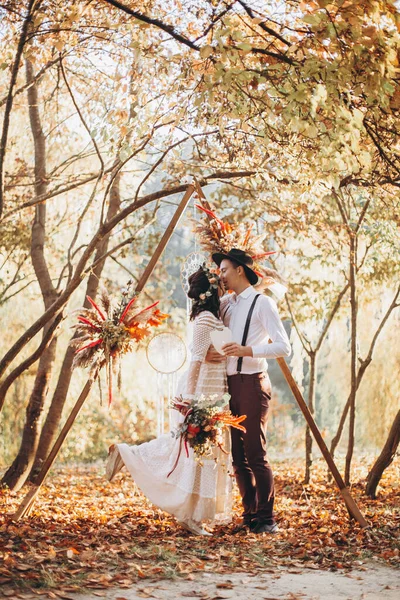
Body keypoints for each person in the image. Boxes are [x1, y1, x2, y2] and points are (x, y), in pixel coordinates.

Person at [105, 266, 232, 535]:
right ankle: (189, 515)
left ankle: (192, 514)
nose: (223, 285)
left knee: (195, 454)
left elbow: (211, 352)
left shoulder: (211, 315)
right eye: (218, 283)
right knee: (191, 454)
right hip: (200, 394)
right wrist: (192, 402)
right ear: (210, 291)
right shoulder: (206, 319)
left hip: (213, 393)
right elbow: (196, 360)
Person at [208, 248, 291, 534]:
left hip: (254, 383)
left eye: (225, 270)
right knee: (238, 457)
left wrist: (248, 350)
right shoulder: (227, 304)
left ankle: (267, 519)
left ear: (240, 270)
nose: (222, 275)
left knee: (256, 453)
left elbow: (284, 346)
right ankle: (250, 514)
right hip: (231, 386)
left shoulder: (262, 304)